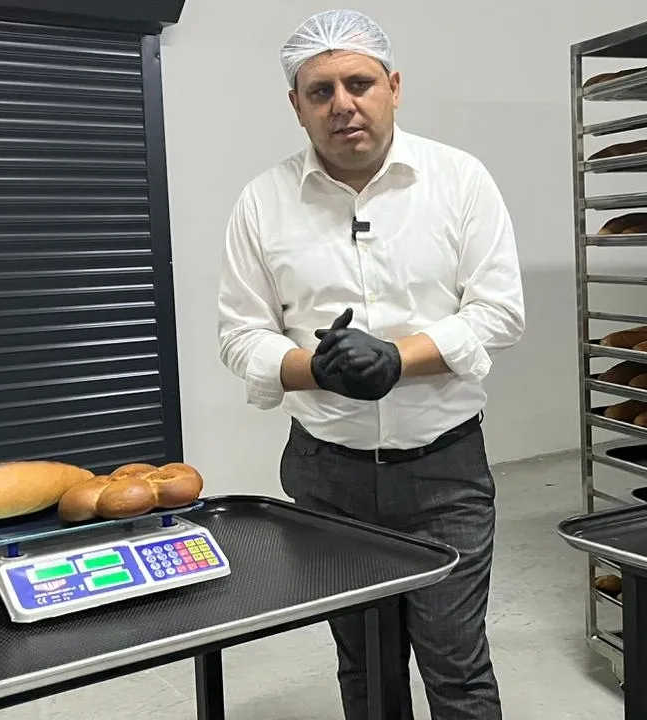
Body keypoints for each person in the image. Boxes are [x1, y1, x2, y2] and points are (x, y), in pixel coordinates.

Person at [216, 9, 524, 720]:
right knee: (365, 663)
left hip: (444, 471)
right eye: (320, 91)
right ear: (296, 105)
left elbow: (500, 312)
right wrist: (316, 369)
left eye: (359, 83)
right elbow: (240, 335)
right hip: (327, 476)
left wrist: (396, 358)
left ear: (394, 87)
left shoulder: (459, 180)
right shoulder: (262, 202)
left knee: (456, 663)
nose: (342, 104)